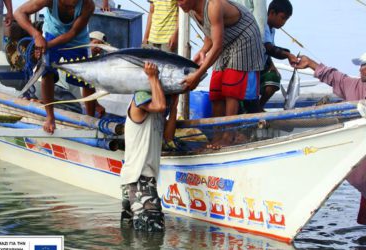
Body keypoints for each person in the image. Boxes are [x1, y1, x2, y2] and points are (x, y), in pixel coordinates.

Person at [177, 0, 264, 146]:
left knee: (231, 88)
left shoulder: (213, 5)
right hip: (225, 40)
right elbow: (209, 32)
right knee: (216, 91)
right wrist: (203, 51)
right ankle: (217, 136)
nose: (179, 3)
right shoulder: (189, 9)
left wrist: (197, 76)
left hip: (244, 37)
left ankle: (228, 136)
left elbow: (217, 46)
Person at [296, 52, 366, 225]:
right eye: (361, 66)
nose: (361, 69)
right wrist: (311, 63)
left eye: (364, 66)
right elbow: (335, 77)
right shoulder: (354, 86)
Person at [14, 0, 98, 134]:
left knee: (87, 79)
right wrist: (37, 36)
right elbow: (19, 12)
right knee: (47, 71)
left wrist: (47, 45)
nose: (71, 5)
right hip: (51, 33)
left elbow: (72, 33)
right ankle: (50, 117)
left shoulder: (88, 5)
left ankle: (91, 120)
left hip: (77, 39)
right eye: (67, 4)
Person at [120, 62, 178, 232]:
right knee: (152, 234)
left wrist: (174, 107)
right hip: (140, 179)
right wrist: (153, 76)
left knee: (133, 234)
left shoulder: (157, 114)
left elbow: (168, 136)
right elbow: (159, 105)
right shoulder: (139, 103)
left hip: (137, 181)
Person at [259, 0, 297, 110]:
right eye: (282, 18)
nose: (283, 22)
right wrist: (288, 55)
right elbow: (268, 48)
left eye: (286, 19)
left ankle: (259, 106)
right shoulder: (263, 25)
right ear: (271, 13)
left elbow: (268, 50)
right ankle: (255, 107)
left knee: (275, 77)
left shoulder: (272, 30)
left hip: (263, 65)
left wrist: (272, 64)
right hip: (253, 67)